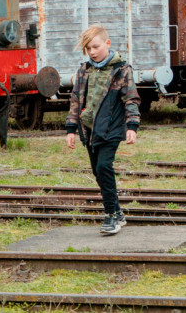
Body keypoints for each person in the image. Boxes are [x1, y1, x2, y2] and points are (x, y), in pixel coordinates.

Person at [65, 24, 140, 236]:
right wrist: (71, 128)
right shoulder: (84, 70)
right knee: (98, 171)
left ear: (107, 44)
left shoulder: (122, 70)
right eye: (88, 48)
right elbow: (75, 101)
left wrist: (132, 125)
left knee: (104, 167)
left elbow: (131, 99)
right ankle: (117, 210)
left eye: (96, 47)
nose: (92, 52)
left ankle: (110, 216)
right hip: (89, 130)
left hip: (112, 128)